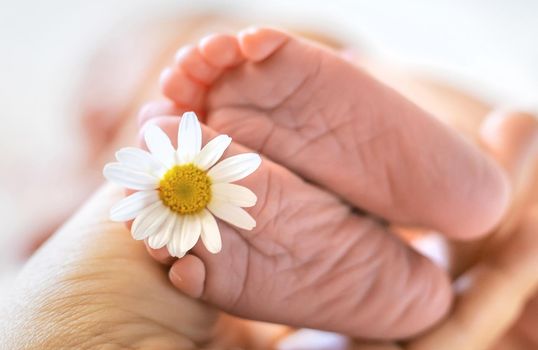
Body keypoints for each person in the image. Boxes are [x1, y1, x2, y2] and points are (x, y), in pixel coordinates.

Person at [3, 23, 537, 349]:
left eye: (105, 76)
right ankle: (470, 178)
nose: (93, 111)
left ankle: (448, 177)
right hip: (255, 183)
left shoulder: (230, 76)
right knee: (485, 149)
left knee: (185, 124)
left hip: (232, 167)